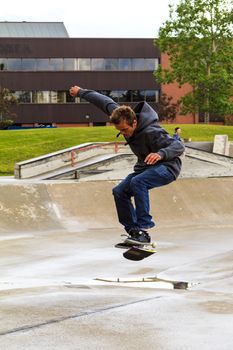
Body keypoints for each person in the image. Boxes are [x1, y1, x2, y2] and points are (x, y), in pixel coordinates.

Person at [70, 86, 185, 244]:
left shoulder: (152, 131)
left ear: (135, 122)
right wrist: (81, 92)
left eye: (125, 130)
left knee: (138, 181)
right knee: (119, 191)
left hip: (167, 168)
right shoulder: (122, 114)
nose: (124, 134)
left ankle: (143, 227)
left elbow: (179, 146)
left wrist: (160, 154)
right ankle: (134, 232)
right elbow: (105, 101)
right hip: (147, 168)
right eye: (120, 131)